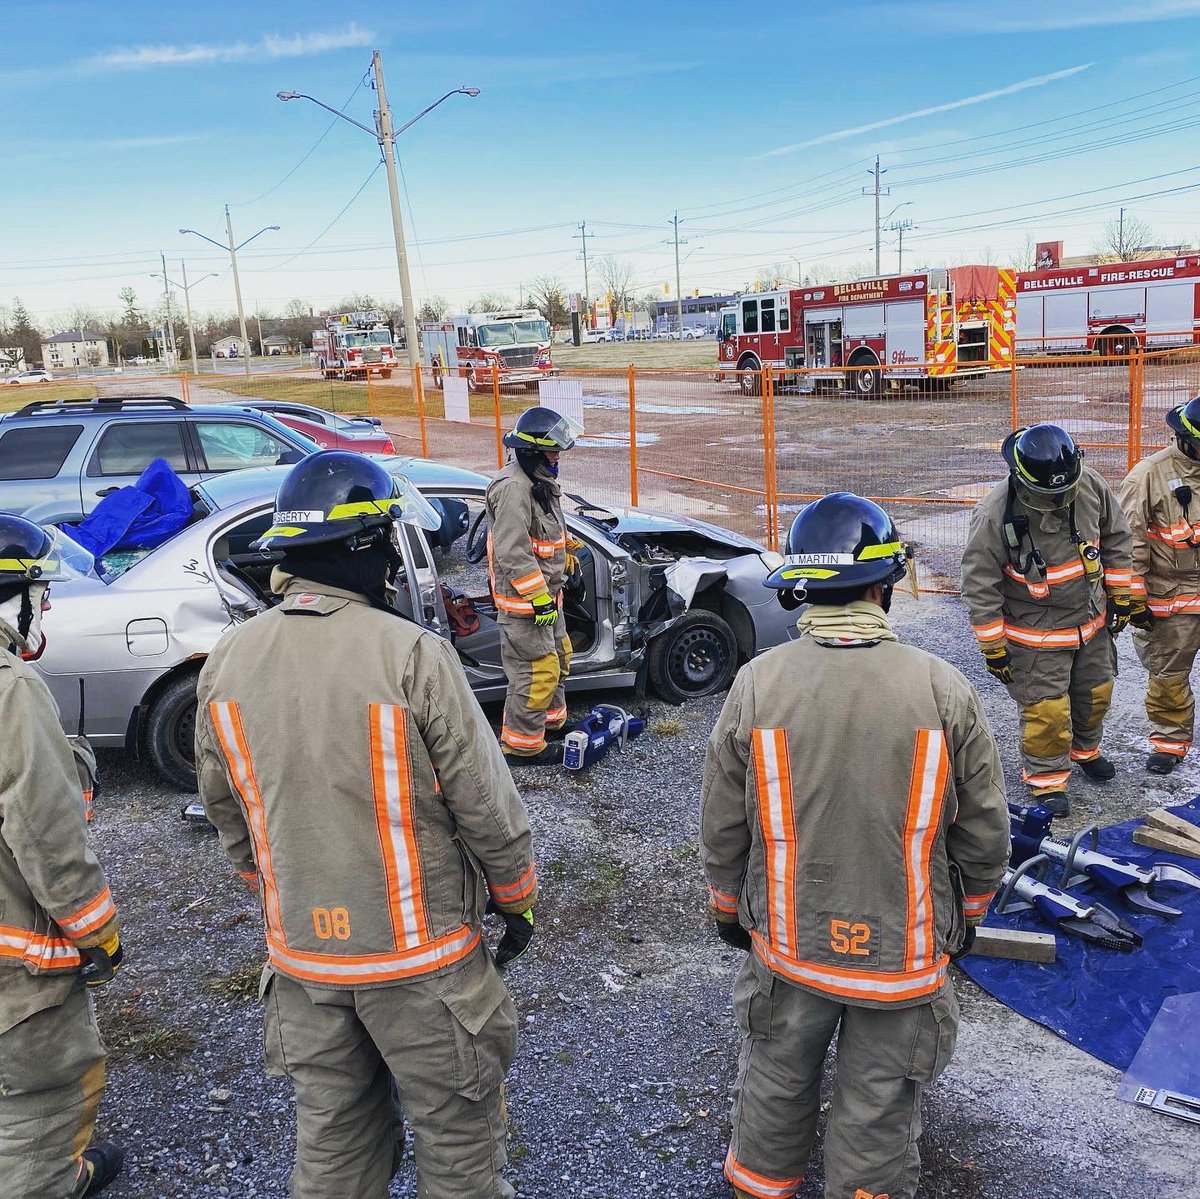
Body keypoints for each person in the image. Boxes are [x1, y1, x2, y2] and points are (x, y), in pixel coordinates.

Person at [195, 452, 538, 1199]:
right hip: (421, 965)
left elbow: (228, 809)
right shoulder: (411, 654)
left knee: (333, 1143)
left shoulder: (228, 659)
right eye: (386, 541)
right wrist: (516, 900)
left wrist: (278, 883)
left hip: (305, 966)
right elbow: (487, 805)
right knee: (457, 1144)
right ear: (364, 547)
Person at [700, 493, 1009, 1199]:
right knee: (876, 1109)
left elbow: (722, 824)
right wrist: (970, 916)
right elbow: (985, 830)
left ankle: (758, 1185)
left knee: (776, 1079)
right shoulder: (941, 687)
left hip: (788, 947)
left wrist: (729, 911)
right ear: (885, 584)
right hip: (898, 962)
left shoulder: (759, 683)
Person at [0, 515, 125, 1197]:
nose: (44, 604)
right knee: (37, 1101)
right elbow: (46, 835)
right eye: (38, 590)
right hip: (14, 972)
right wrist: (98, 933)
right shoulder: (10, 692)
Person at [961, 423, 1133, 814]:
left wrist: (1121, 595)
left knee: (1095, 694)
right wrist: (993, 646)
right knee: (1047, 710)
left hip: (1091, 623)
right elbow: (979, 583)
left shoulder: (1089, 485)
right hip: (1035, 635)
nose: (1058, 498)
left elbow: (1118, 537)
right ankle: (1047, 780)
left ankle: (1086, 752)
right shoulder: (994, 513)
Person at [486, 405, 584, 766]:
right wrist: (539, 597)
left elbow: (544, 533)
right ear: (532, 451)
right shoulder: (513, 488)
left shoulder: (538, 482)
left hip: (548, 600)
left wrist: (569, 551)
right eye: (552, 451)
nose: (558, 457)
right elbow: (512, 552)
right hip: (526, 607)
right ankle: (521, 745)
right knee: (536, 673)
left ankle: (551, 725)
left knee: (560, 660)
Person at [1118, 396, 1200, 773]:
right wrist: (1133, 598)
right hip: (1173, 597)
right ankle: (1169, 742)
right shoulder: (1148, 475)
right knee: (1168, 675)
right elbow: (1127, 541)